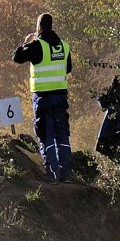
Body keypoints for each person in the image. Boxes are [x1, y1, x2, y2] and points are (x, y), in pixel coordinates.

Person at [13, 13, 73, 183]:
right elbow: (67, 69)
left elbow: (17, 58)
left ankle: (52, 174)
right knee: (62, 134)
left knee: (46, 134)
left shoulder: (37, 46)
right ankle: (66, 173)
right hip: (61, 96)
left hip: (43, 97)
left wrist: (26, 42)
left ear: (38, 27)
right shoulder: (64, 46)